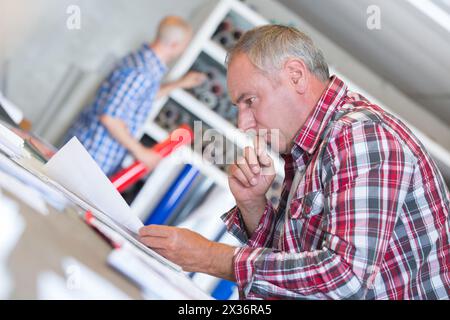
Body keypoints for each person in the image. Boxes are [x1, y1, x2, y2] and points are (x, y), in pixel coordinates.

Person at [139, 25, 450, 300]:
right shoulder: (308, 150)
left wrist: (211, 258)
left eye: (250, 101)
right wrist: (252, 206)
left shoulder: (361, 136)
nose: (243, 123)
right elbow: (295, 270)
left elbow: (345, 277)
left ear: (296, 76)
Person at [65, 16, 206, 176]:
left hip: (90, 152)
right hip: (92, 155)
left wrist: (179, 84)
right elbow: (110, 117)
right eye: (185, 44)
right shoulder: (142, 72)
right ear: (174, 45)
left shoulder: (143, 62)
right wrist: (141, 152)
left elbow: (139, 99)